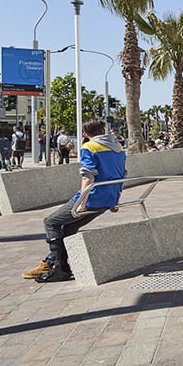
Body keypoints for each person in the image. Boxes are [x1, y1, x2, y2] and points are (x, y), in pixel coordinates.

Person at [21, 119, 126, 283]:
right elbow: (121, 174)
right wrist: (115, 200)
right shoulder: (119, 149)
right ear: (103, 130)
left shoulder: (89, 147)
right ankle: (49, 263)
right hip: (108, 199)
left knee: (51, 222)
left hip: (92, 197)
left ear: (85, 134)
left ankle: (61, 269)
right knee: (69, 228)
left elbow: (88, 176)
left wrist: (81, 202)